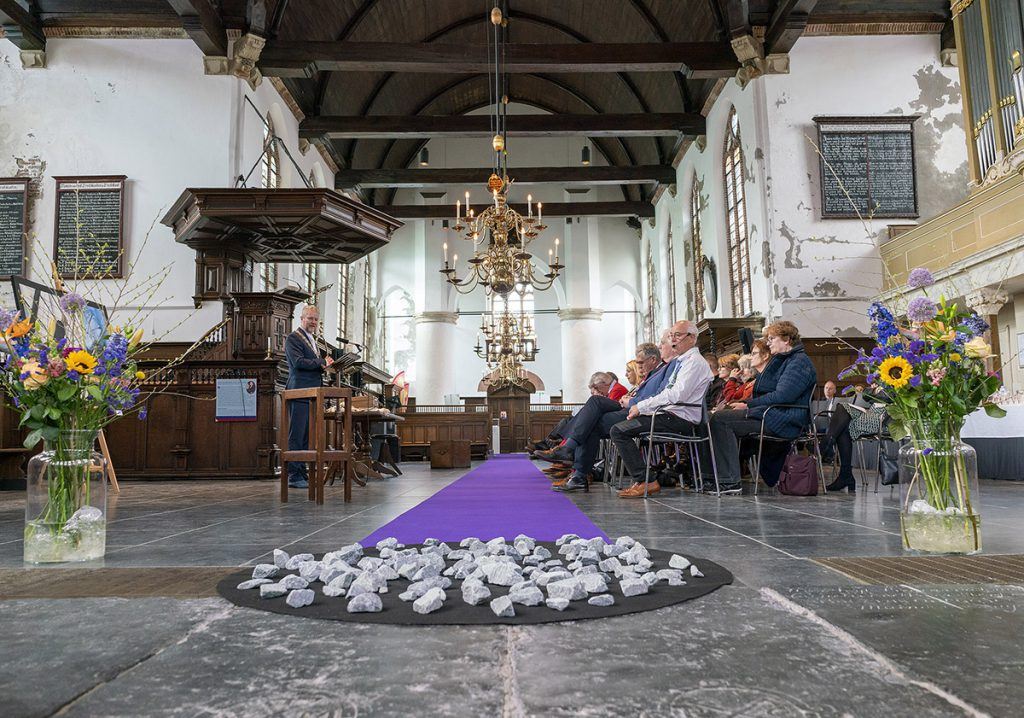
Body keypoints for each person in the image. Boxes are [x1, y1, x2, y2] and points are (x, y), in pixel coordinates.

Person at [551, 335, 675, 491]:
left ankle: (571, 457)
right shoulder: (650, 375)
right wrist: (629, 397)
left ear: (653, 360)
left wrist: (631, 401)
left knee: (594, 407)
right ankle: (576, 469)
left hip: (642, 411)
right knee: (593, 409)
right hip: (631, 406)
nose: (638, 366)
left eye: (641, 362)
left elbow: (658, 396)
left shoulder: (664, 370)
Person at [705, 320, 817, 492]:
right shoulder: (784, 360)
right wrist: (747, 405)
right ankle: (712, 476)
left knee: (721, 420)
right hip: (772, 412)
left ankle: (729, 482)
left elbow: (782, 396)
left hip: (784, 418)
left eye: (772, 338)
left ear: (786, 339)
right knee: (713, 417)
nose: (768, 342)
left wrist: (747, 405)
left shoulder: (799, 362)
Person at [609, 320, 713, 498]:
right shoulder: (682, 361)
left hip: (680, 418)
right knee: (620, 427)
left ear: (692, 338)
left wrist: (640, 406)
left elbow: (675, 395)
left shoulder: (694, 362)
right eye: (672, 335)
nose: (673, 339)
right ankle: (644, 479)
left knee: (618, 430)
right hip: (668, 413)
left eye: (678, 335)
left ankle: (646, 481)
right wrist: (642, 408)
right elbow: (666, 392)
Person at [285, 305, 334, 489]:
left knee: (306, 436)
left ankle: (302, 473)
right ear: (302, 318)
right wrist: (322, 362)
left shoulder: (311, 339)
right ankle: (293, 475)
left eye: (316, 319)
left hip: (312, 393)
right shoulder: (293, 338)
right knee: (297, 434)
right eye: (310, 318)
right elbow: (298, 363)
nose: (313, 322)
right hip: (300, 391)